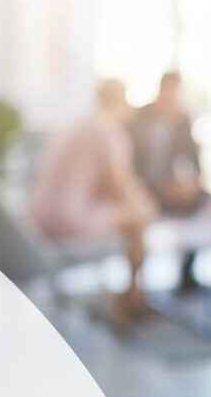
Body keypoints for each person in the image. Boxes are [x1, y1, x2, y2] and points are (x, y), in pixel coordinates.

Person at [29, 78, 157, 324]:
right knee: (139, 217)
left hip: (39, 217)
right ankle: (134, 297)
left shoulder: (76, 126)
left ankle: (129, 295)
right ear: (123, 100)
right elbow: (119, 185)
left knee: (129, 213)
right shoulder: (109, 131)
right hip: (70, 219)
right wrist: (146, 204)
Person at [131, 71, 207, 217]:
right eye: (168, 91)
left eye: (175, 93)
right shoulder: (140, 117)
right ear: (160, 90)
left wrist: (192, 182)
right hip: (144, 186)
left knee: (199, 197)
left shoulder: (183, 121)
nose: (171, 98)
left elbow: (193, 160)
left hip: (172, 186)